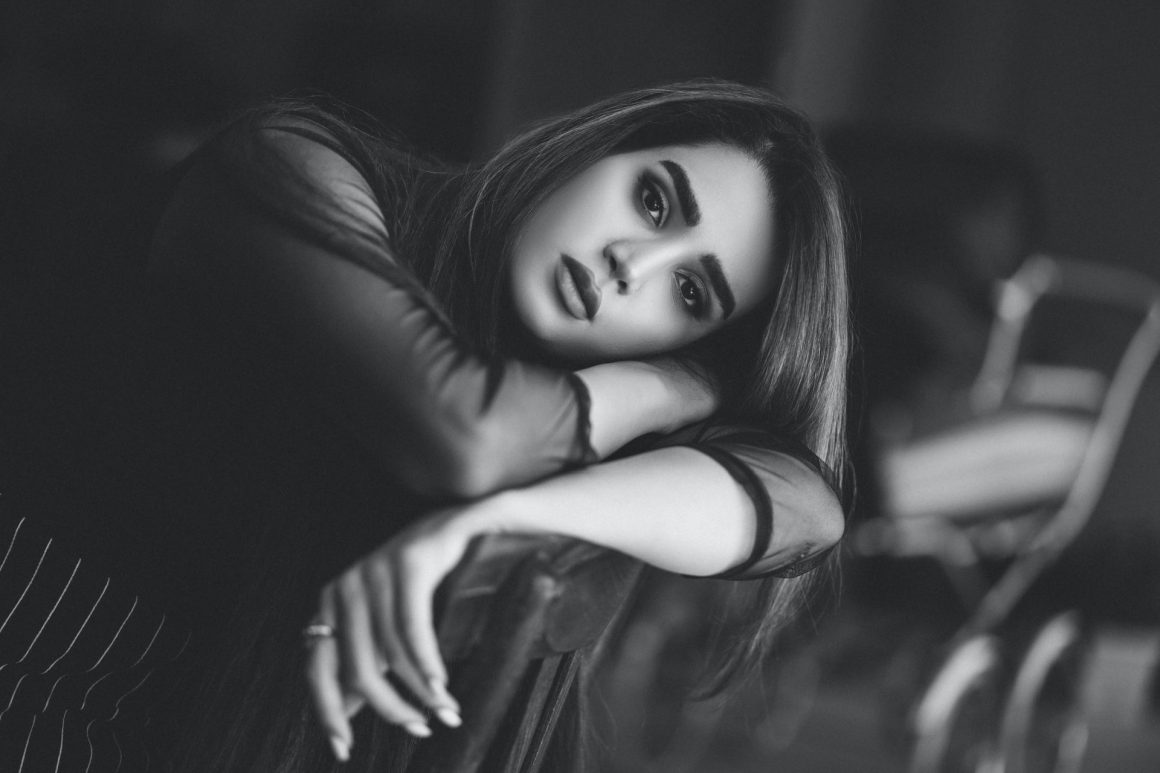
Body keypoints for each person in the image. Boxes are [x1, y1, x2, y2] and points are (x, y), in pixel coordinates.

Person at [144, 79, 852, 771]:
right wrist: (670, 385)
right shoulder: (291, 159)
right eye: (653, 201)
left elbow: (810, 511)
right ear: (594, 147)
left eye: (690, 292)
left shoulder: (591, 426)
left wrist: (516, 515)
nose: (632, 265)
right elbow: (470, 431)